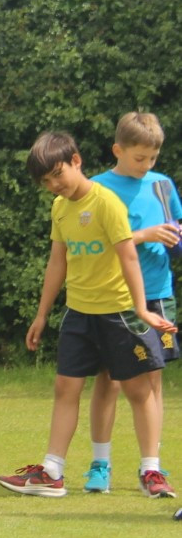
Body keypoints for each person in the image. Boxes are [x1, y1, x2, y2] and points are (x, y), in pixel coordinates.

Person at [0, 131, 176, 498]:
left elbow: (128, 256)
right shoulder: (60, 208)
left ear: (76, 161)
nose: (54, 185)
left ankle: (151, 471)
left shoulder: (106, 202)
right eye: (46, 181)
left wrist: (141, 308)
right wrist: (41, 315)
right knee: (66, 387)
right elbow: (57, 261)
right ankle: (52, 473)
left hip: (119, 314)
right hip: (79, 314)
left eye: (57, 174)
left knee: (138, 390)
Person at [79, 113, 182, 495]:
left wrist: (175, 236)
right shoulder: (96, 188)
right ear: (117, 150)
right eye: (139, 158)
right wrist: (143, 235)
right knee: (109, 378)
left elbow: (176, 227)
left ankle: (150, 468)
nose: (146, 165)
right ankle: (100, 465)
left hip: (158, 293)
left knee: (153, 379)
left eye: (153, 158)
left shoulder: (163, 185)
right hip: (113, 296)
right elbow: (91, 244)